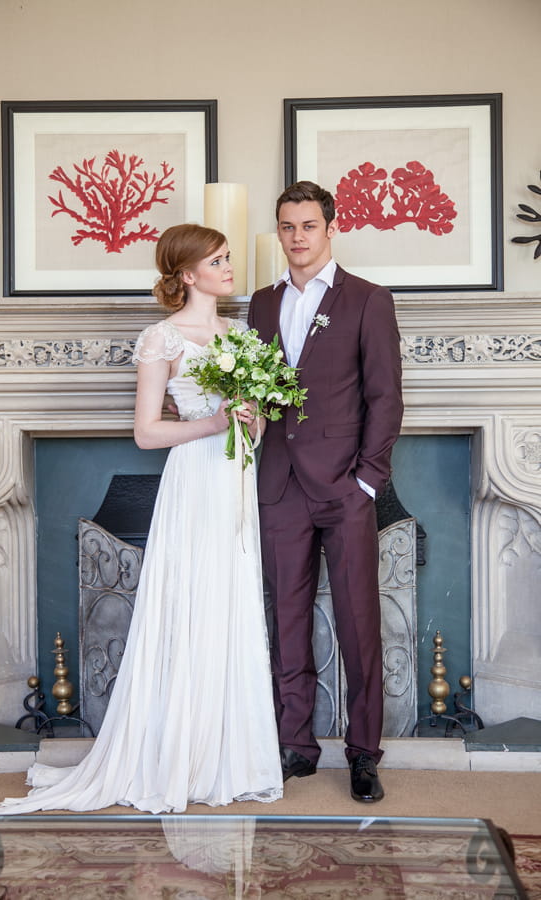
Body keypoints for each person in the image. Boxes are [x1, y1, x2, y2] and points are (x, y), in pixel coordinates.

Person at [0, 224, 283, 816]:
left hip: (238, 483)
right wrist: (215, 424)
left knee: (230, 604)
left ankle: (229, 756)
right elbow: (147, 432)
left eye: (227, 257)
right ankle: (175, 756)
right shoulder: (161, 338)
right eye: (217, 260)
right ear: (188, 274)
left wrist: (251, 418)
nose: (228, 266)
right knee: (190, 602)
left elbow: (258, 422)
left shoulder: (242, 335)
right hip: (194, 480)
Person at [248, 181, 403, 802]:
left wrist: (367, 479)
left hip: (344, 487)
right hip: (279, 485)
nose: (298, 237)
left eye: (308, 225)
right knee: (285, 619)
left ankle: (364, 754)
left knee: (358, 624)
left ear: (331, 227)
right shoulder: (260, 303)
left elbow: (384, 397)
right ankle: (297, 745)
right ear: (279, 231)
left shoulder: (368, 299)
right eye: (287, 226)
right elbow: (258, 392)